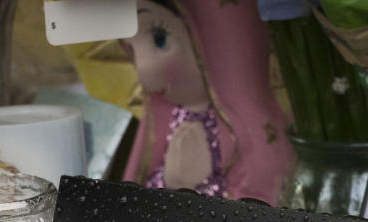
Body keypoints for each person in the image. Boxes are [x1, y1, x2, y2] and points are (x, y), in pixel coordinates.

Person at [121, 0, 292, 204]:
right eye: (130, 49)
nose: (143, 68)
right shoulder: (160, 123)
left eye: (160, 38)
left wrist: (195, 187)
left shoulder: (250, 137)